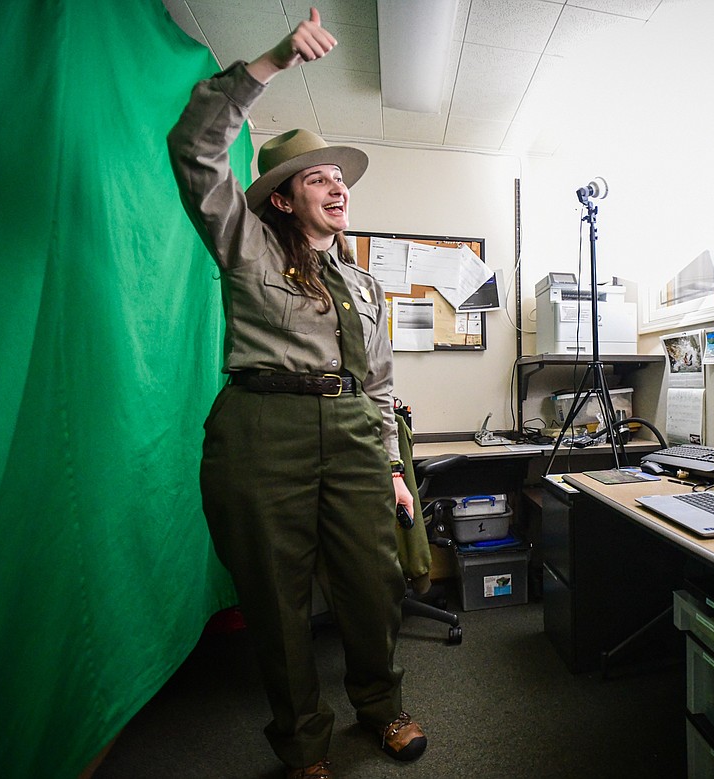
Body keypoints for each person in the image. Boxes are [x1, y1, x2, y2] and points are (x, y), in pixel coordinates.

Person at [166, 8, 425, 778]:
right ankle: (303, 744)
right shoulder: (243, 241)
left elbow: (378, 384)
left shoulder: (365, 283)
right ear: (282, 198)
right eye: (319, 178)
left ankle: (380, 708)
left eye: (340, 179)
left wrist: (389, 466)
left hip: (349, 427)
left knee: (372, 584)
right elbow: (195, 147)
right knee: (276, 601)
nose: (337, 188)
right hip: (261, 425)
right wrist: (272, 62)